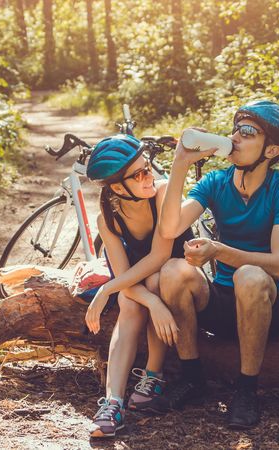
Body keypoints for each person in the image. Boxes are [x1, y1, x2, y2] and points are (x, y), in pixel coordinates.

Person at [157, 100, 279, 429]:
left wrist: (218, 251)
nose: (235, 136)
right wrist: (180, 162)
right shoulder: (215, 182)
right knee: (172, 271)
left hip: (267, 302)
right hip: (222, 303)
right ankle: (192, 379)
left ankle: (247, 390)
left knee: (250, 276)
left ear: (270, 150)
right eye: (235, 128)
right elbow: (169, 228)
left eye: (248, 132)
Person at [84, 134, 194, 438]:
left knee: (154, 280)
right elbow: (125, 280)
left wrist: (108, 289)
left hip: (177, 278)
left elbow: (160, 255)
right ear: (119, 187)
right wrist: (148, 303)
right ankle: (113, 402)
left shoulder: (161, 194)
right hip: (140, 285)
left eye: (149, 167)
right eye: (141, 173)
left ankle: (153, 375)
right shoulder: (108, 216)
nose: (151, 176)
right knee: (130, 301)